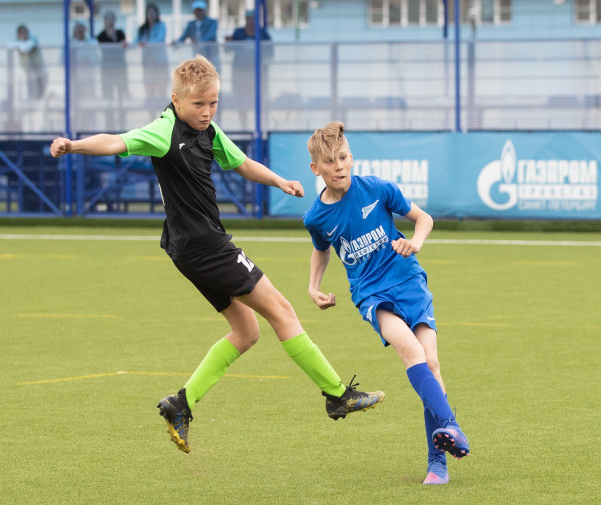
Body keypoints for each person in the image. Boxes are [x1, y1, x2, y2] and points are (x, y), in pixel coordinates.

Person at [49, 56, 384, 454]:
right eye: (198, 104)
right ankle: (336, 394)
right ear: (175, 99)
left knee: (247, 332)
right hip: (205, 245)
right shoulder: (164, 131)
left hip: (187, 248)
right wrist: (74, 145)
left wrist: (279, 181)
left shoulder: (208, 131)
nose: (207, 112)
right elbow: (117, 140)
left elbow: (241, 163)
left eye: (213, 103)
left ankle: (181, 404)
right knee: (282, 311)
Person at [303, 122, 470, 485]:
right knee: (411, 350)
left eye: (344, 158)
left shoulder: (377, 189)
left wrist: (417, 241)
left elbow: (423, 218)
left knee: (433, 364)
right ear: (316, 168)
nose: (339, 167)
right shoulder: (316, 217)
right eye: (330, 162)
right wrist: (314, 286)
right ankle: (453, 427)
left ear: (352, 157)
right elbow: (321, 250)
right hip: (371, 294)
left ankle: (436, 464)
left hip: (408, 280)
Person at [224, 9, 272, 129]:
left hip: (257, 73)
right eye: (248, 19)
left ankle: (259, 127)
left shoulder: (262, 33)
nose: (250, 21)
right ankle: (244, 127)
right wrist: (228, 42)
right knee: (241, 101)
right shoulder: (238, 32)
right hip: (240, 73)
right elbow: (228, 50)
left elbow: (270, 52)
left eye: (253, 19)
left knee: (258, 101)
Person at [98, 10, 130, 128]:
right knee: (108, 98)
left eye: (112, 18)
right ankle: (109, 124)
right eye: (108, 18)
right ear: (105, 21)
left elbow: (123, 46)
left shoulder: (120, 33)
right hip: (107, 69)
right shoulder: (100, 35)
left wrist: (115, 37)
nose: (110, 21)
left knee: (121, 97)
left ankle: (122, 124)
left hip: (120, 68)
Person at [136, 3, 169, 99]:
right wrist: (126, 44)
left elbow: (160, 39)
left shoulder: (161, 25)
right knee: (149, 90)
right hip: (148, 63)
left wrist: (146, 43)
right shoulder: (142, 29)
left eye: (153, 12)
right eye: (149, 13)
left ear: (157, 14)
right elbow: (136, 41)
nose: (151, 15)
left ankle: (162, 114)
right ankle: (152, 113)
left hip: (160, 62)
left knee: (161, 90)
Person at [8, 24, 47, 100]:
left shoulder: (33, 38)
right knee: (30, 93)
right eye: (21, 33)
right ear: (18, 34)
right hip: (28, 73)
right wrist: (20, 43)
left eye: (24, 32)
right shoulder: (17, 41)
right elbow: (10, 45)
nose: (23, 34)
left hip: (41, 72)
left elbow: (25, 48)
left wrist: (19, 44)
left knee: (41, 93)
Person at [177, 0, 220, 69]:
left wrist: (200, 42)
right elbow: (183, 37)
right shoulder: (191, 24)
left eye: (200, 10)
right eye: (197, 10)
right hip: (198, 57)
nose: (198, 12)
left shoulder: (212, 22)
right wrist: (176, 43)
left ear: (204, 10)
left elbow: (210, 35)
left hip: (212, 57)